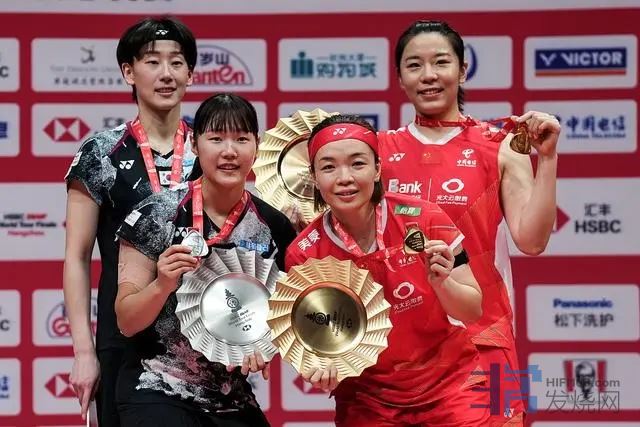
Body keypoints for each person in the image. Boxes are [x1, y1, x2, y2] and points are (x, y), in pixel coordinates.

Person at [378, 20, 561, 425]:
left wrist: (547, 159)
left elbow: (531, 240)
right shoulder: (376, 153)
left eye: (441, 62)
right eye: (414, 65)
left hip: (486, 339)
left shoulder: (501, 146)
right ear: (400, 78)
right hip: (402, 351)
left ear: (461, 71)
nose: (428, 75)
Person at [286, 114, 490, 426]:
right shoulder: (304, 253)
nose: (344, 178)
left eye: (358, 164)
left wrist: (442, 284)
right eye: (328, 167)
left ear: (378, 168)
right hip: (367, 401)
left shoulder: (424, 217)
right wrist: (320, 367)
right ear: (313, 177)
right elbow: (314, 344)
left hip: (451, 388)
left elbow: (472, 310)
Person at [115, 93, 297, 426]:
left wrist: (267, 343)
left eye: (241, 139)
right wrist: (162, 284)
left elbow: (285, 314)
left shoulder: (274, 226)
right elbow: (126, 322)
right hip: (157, 387)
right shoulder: (156, 214)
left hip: (230, 395)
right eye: (216, 139)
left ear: (257, 146)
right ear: (195, 145)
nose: (229, 151)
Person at [63, 16, 197, 426]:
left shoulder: (212, 149)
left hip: (203, 343)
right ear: (128, 72)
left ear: (190, 74)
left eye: (177, 62)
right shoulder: (100, 153)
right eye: (152, 62)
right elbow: (77, 257)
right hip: (124, 341)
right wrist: (83, 352)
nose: (166, 74)